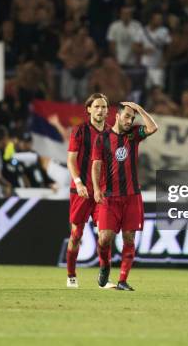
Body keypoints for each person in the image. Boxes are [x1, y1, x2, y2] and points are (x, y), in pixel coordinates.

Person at [92, 101, 159, 291]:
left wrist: (139, 109)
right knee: (104, 239)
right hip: (110, 197)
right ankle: (104, 265)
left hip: (131, 197)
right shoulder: (103, 138)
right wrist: (96, 189)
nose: (130, 121)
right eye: (127, 116)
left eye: (132, 117)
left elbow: (153, 127)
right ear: (117, 116)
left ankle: (122, 280)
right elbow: (96, 164)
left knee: (129, 239)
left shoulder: (133, 135)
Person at [65, 93, 111, 288]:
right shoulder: (80, 131)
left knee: (105, 236)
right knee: (76, 234)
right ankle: (71, 275)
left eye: (103, 107)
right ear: (89, 109)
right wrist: (79, 182)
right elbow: (71, 160)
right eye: (97, 106)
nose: (100, 110)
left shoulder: (112, 133)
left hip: (102, 193)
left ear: (108, 111)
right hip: (81, 191)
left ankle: (104, 273)